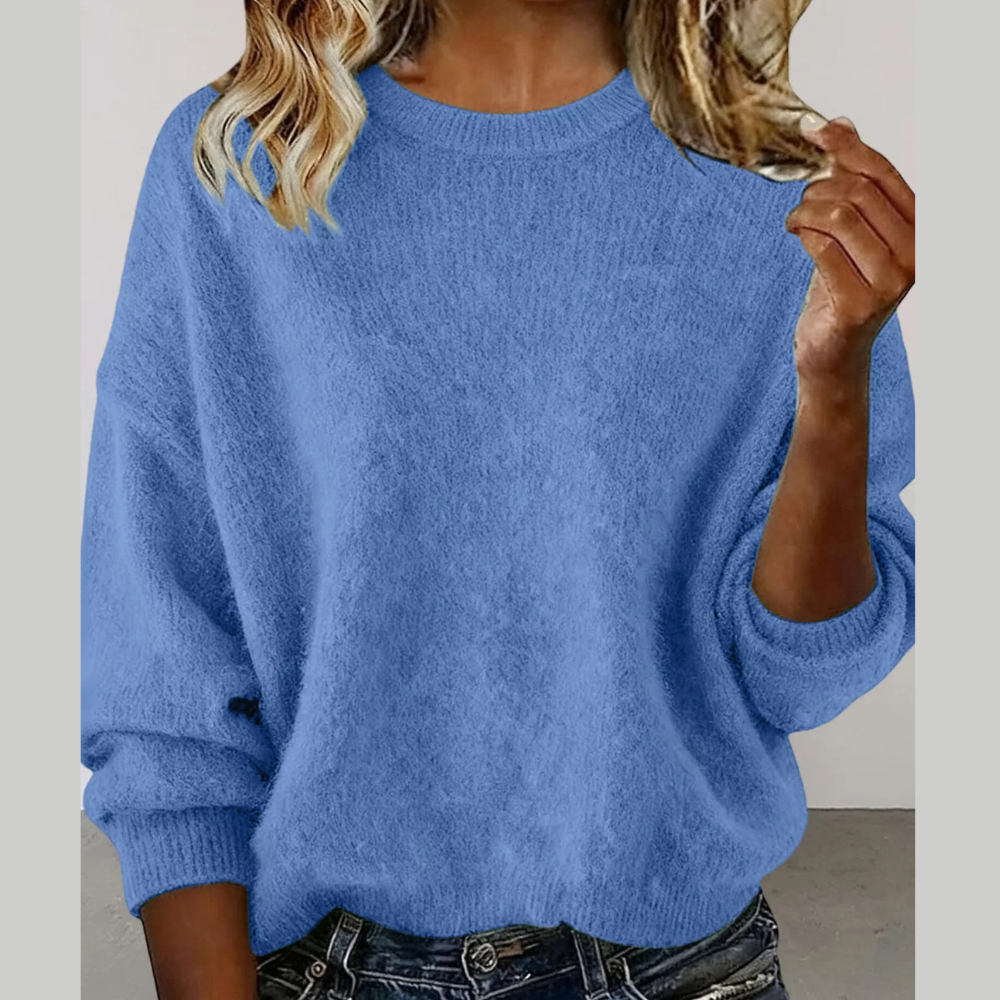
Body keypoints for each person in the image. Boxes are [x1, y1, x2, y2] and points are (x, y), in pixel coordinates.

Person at [80, 1, 916, 998]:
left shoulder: (777, 191)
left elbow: (799, 677)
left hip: (687, 970)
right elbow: (162, 678)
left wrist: (834, 386)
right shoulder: (243, 161)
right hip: (327, 970)